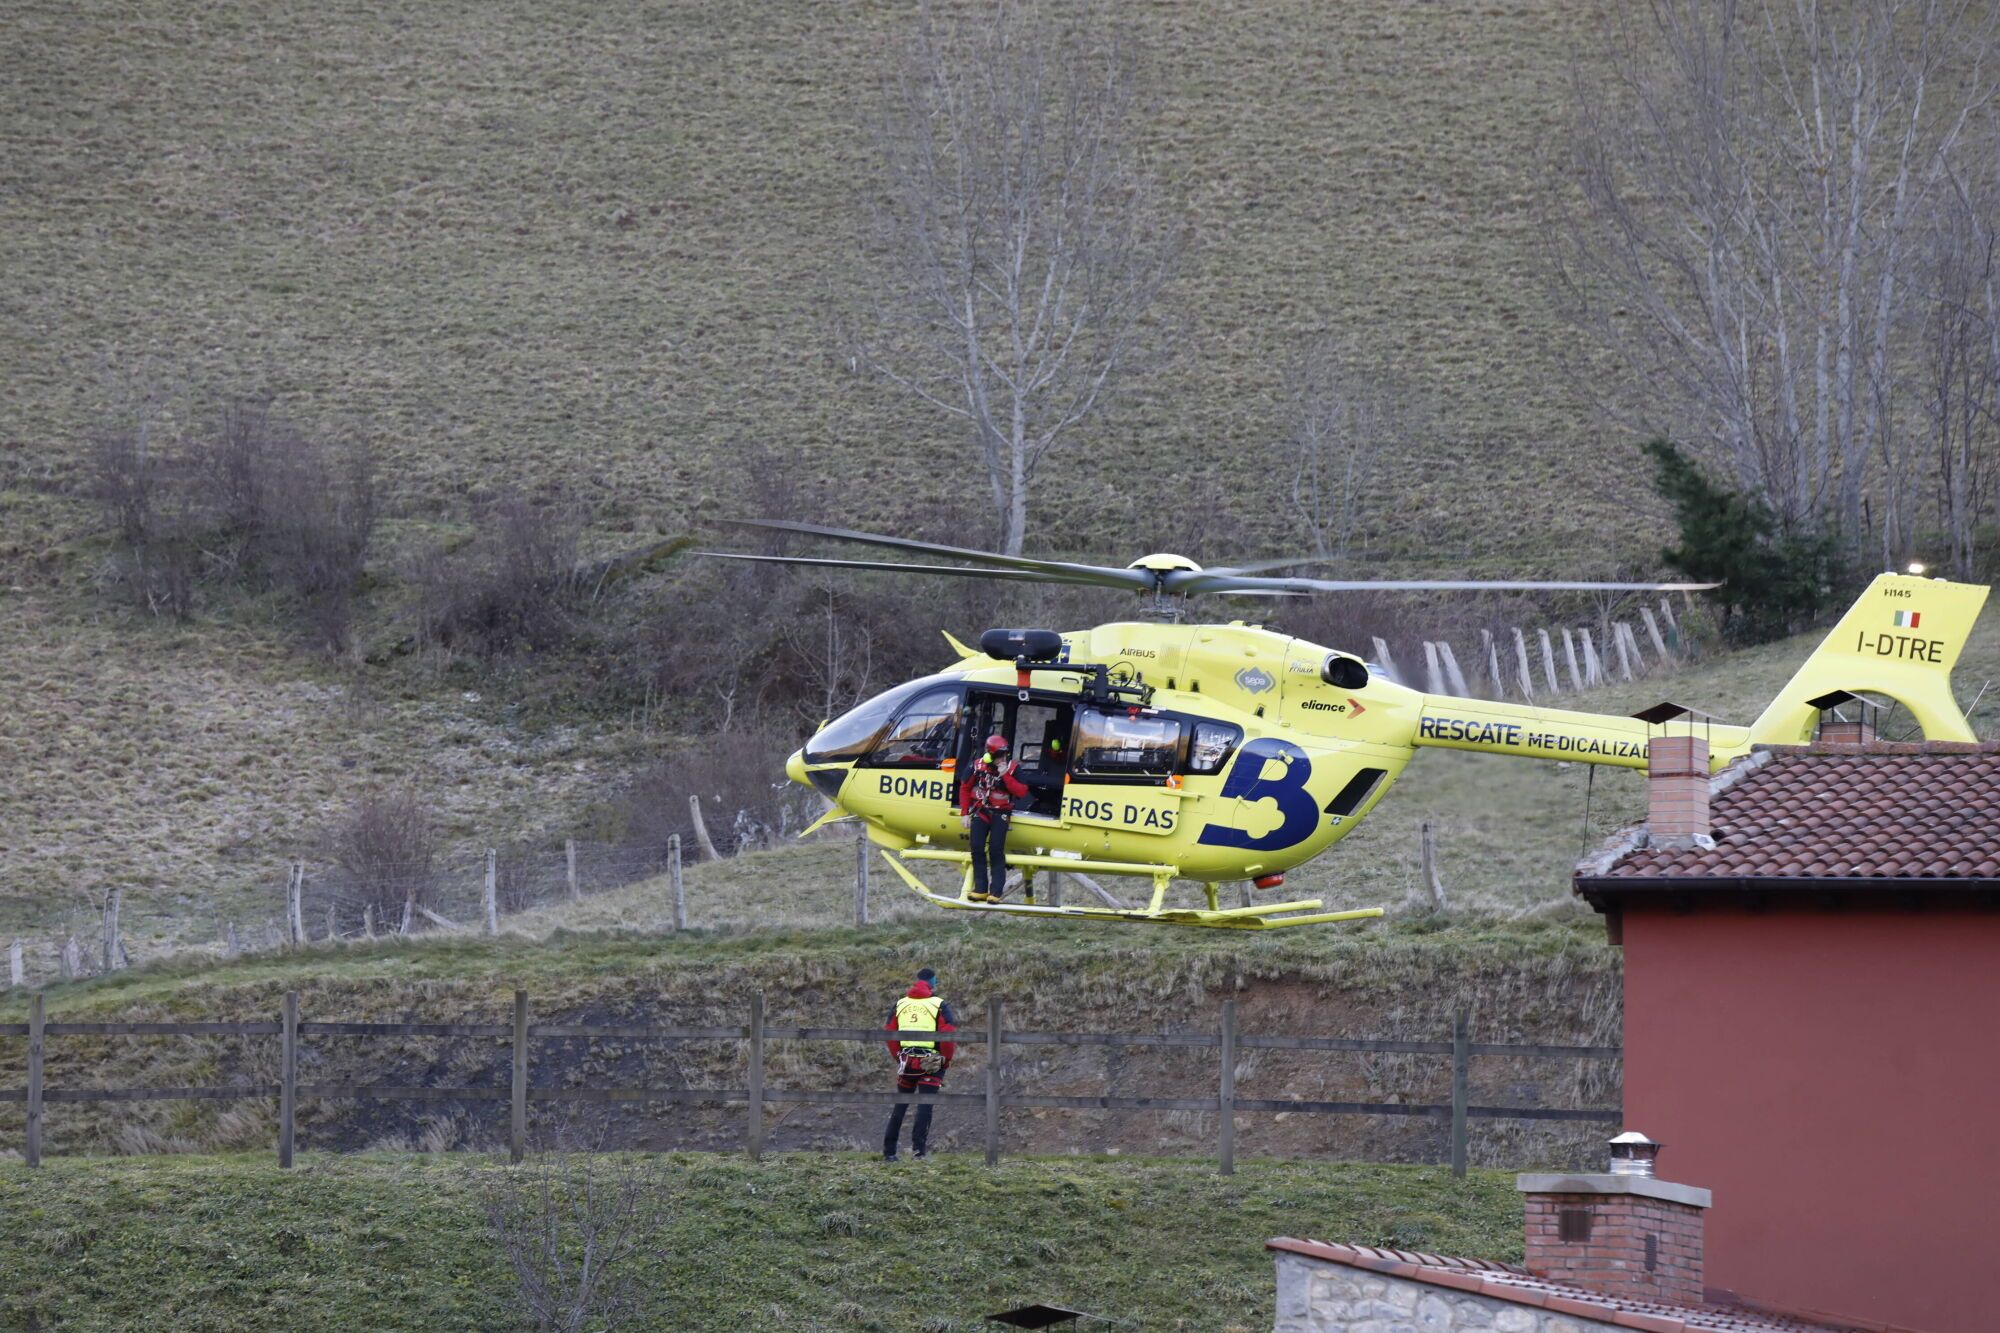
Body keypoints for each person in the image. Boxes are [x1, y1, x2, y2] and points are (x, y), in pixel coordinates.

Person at [883, 967, 957, 1162]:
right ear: (932, 982)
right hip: (930, 1063)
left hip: (907, 1061)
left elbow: (889, 1033)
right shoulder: (939, 1004)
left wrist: (898, 1057)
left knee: (900, 1105)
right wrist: (945, 1061)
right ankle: (918, 1152)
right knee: (925, 1105)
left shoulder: (900, 1004)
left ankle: (889, 1152)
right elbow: (948, 1035)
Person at [958, 734, 1028, 903]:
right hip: (981, 811)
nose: (1002, 758)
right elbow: (965, 788)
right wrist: (965, 813)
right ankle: (980, 889)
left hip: (1001, 813)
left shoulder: (1012, 768)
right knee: (976, 847)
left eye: (1005, 754)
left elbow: (1022, 791)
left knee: (996, 850)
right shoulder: (977, 766)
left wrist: (1005, 776)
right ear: (990, 755)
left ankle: (996, 892)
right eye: (999, 755)